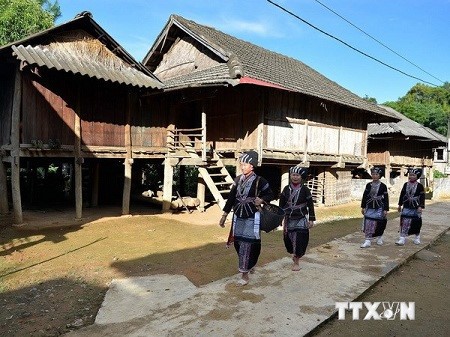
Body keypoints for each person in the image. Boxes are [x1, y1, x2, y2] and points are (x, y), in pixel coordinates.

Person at [219, 150, 274, 286]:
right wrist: (224, 215)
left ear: (252, 166)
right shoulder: (237, 180)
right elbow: (231, 198)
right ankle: (247, 265)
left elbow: (270, 194)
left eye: (245, 164)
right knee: (238, 244)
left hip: (252, 218)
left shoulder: (260, 181)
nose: (242, 167)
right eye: (241, 164)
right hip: (238, 217)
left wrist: (261, 199)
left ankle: (244, 274)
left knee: (249, 244)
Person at [279, 166, 315, 271]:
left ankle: (296, 261)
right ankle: (294, 255)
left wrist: (311, 219)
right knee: (289, 239)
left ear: (301, 177)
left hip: (301, 218)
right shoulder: (286, 189)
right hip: (289, 218)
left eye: (297, 175)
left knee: (299, 240)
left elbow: (310, 205)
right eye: (293, 175)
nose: (295, 177)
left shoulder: (305, 190)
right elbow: (281, 204)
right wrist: (279, 218)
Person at [360, 167, 389, 248]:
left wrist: (386, 209)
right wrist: (363, 206)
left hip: (379, 207)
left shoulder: (383, 186)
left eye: (376, 174)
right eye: (373, 174)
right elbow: (365, 196)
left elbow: (386, 198)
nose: (374, 176)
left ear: (380, 175)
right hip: (369, 206)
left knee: (379, 223)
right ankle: (367, 240)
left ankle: (379, 237)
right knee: (368, 222)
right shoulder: (368, 185)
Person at [396, 168, 425, 245]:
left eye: (413, 175)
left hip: (416, 206)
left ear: (417, 176)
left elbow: (422, 197)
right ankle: (402, 238)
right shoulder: (405, 185)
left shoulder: (420, 186)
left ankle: (417, 237)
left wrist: (420, 206)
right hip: (406, 206)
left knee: (416, 222)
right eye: (410, 175)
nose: (411, 176)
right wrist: (399, 205)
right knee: (404, 222)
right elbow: (402, 195)